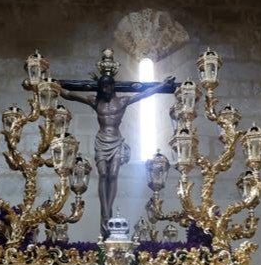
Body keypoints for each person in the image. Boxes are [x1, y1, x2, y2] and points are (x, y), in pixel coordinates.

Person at [60, 72, 175, 239]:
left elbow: (144, 94)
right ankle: (105, 212)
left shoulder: (123, 101)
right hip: (101, 141)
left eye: (108, 86)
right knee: (103, 174)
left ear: (113, 86)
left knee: (113, 175)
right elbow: (71, 95)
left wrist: (162, 85)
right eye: (103, 86)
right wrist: (56, 88)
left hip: (116, 141)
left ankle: (109, 210)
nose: (105, 89)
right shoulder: (95, 101)